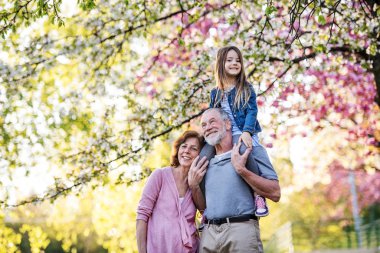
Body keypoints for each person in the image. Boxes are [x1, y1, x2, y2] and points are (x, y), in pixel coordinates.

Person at [188, 108, 281, 253]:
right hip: (209, 235)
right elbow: (203, 206)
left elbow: (275, 192)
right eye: (204, 125)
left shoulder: (252, 151)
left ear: (227, 124)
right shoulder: (203, 164)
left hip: (241, 231)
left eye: (212, 121)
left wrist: (242, 170)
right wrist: (194, 186)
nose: (208, 127)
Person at [199, 45, 276, 217]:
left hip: (241, 131)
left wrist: (247, 132)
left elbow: (252, 111)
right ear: (221, 64)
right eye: (230, 60)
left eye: (238, 60)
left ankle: (258, 196)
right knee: (202, 158)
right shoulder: (215, 93)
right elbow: (213, 114)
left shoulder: (246, 88)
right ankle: (206, 206)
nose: (235, 63)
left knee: (242, 149)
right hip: (223, 133)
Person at [136, 130, 209, 253]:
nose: (186, 151)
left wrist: (194, 185)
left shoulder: (199, 184)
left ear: (200, 155)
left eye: (193, 148)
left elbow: (204, 213)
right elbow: (142, 217)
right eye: (184, 146)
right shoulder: (160, 176)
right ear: (178, 149)